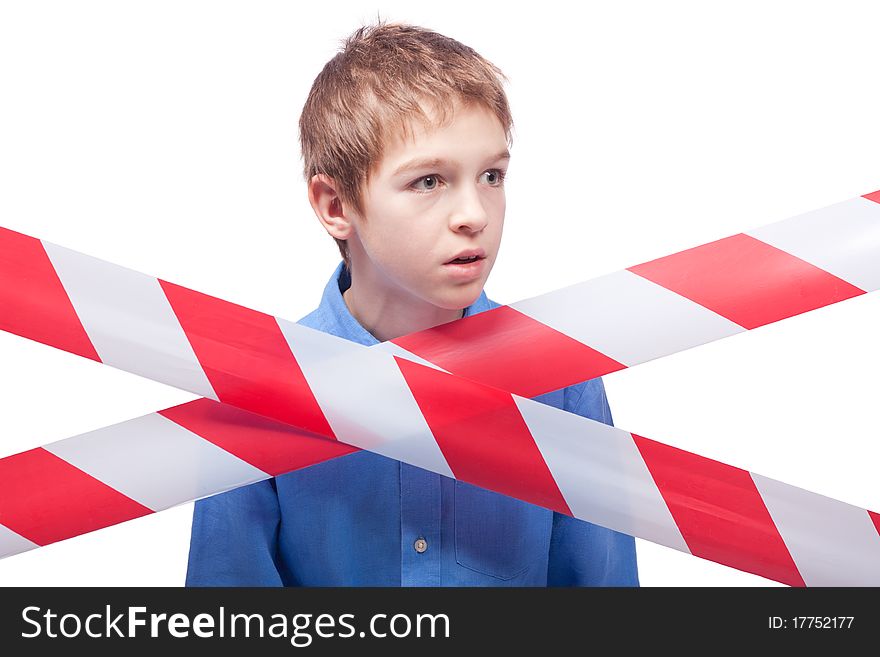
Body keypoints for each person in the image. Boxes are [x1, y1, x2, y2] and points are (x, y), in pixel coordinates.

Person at [186, 20, 638, 587]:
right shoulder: (252, 394)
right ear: (335, 205)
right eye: (428, 181)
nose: (474, 214)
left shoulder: (562, 384)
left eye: (492, 175)